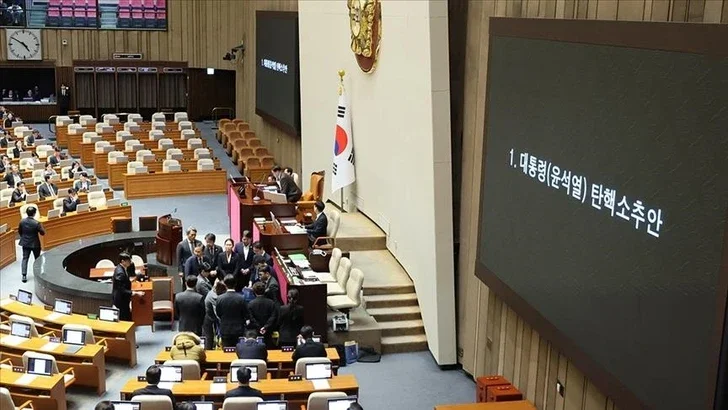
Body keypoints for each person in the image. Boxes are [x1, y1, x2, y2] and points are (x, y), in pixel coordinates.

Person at [216, 274, 250, 347]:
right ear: (235, 283)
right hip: (238, 329)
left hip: (225, 329)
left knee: (226, 352)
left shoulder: (219, 298)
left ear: (225, 284)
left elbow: (218, 313)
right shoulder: (241, 298)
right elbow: (246, 314)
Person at [112, 253, 143, 321]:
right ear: (123, 261)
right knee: (124, 319)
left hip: (123, 300)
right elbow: (121, 290)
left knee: (127, 316)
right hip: (121, 301)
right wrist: (135, 293)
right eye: (128, 261)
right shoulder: (120, 273)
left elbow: (124, 282)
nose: (130, 262)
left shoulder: (122, 268)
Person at [18, 206, 45, 283]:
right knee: (37, 259)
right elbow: (43, 233)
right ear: (34, 214)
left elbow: (20, 231)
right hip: (35, 244)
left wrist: (24, 238)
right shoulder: (36, 223)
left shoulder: (22, 221)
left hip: (25, 243)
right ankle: (38, 274)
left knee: (25, 258)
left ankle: (24, 275)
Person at [248, 282, 278, 347]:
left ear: (254, 291)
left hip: (256, 332)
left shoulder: (250, 304)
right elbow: (273, 316)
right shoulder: (271, 303)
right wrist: (265, 327)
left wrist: (259, 327)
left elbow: (251, 318)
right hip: (269, 331)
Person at [203, 279, 225, 350]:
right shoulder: (214, 296)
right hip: (208, 318)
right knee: (209, 338)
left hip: (212, 318)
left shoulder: (214, 291)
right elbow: (217, 314)